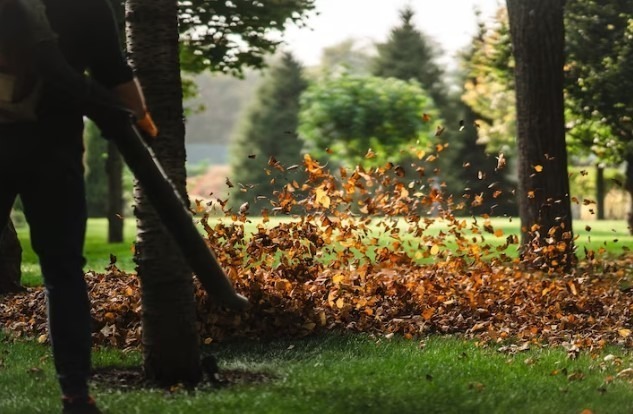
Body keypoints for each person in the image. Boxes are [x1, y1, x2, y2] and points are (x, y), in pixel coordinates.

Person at [0, 0, 157, 412]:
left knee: (63, 272)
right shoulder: (86, 5)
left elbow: (108, 69)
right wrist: (141, 120)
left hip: (36, 149)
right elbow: (113, 72)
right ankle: (75, 394)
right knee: (62, 273)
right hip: (53, 152)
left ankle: (76, 393)